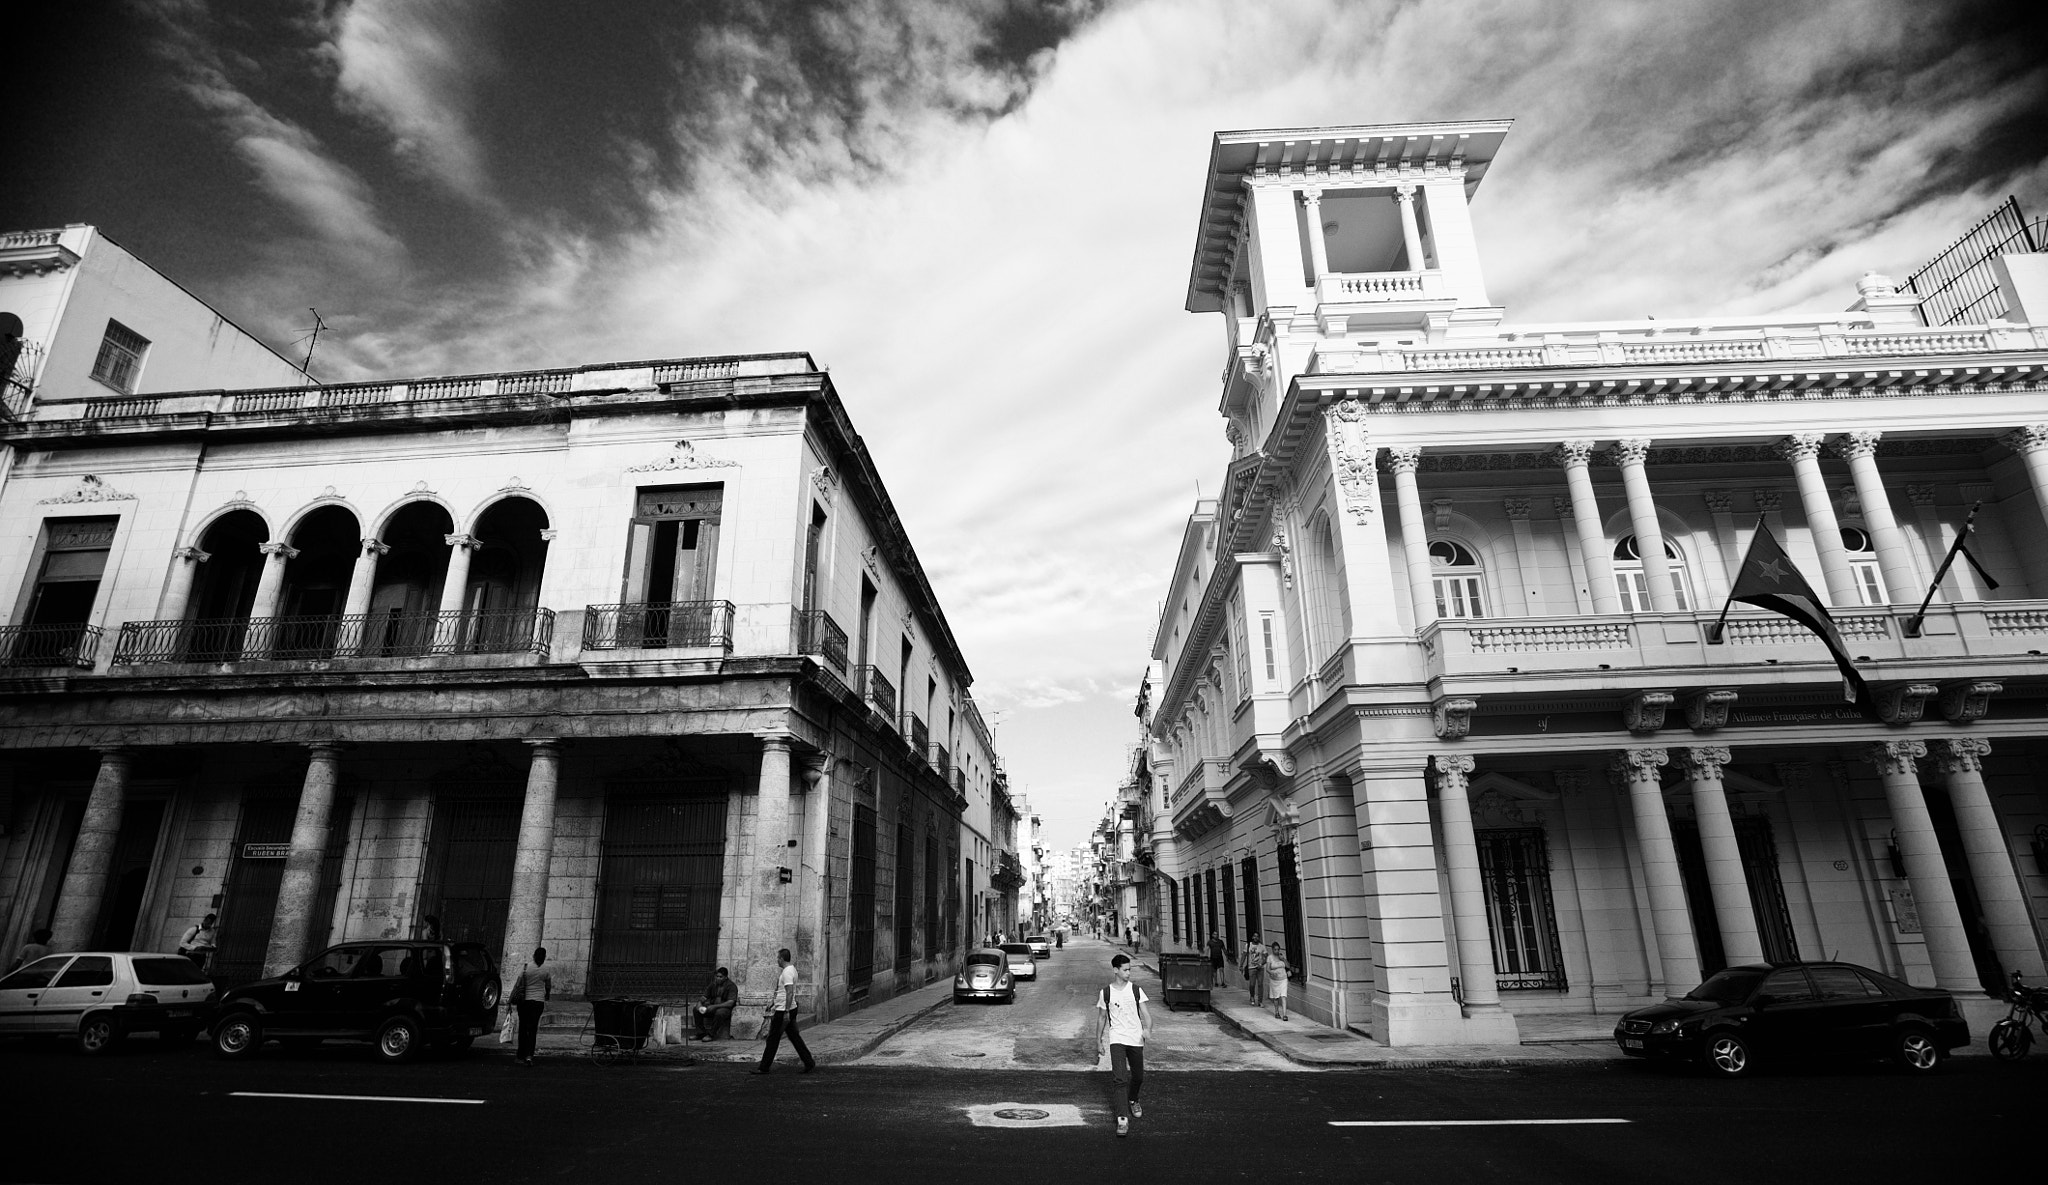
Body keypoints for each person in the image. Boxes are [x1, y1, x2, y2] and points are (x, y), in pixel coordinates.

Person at [1094, 953, 1153, 1138]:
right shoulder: (1106, 993)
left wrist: (1148, 1029)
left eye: (1129, 969)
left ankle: (1133, 1099)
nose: (1128, 973)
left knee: (1138, 1077)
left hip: (1135, 1039)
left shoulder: (1136, 990)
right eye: (1125, 970)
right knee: (1120, 1079)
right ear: (1116, 970)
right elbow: (1102, 1018)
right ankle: (1122, 1119)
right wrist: (1098, 1041)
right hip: (1117, 1039)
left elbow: (1146, 1014)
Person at [753, 947, 815, 1074]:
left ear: (782, 958)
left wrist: (786, 1011)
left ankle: (764, 1067)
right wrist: (773, 1002)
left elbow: (789, 992)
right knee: (794, 1036)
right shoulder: (791, 970)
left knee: (773, 1038)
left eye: (778, 958)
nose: (777, 960)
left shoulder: (787, 972)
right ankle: (809, 1062)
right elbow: (782, 991)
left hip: (783, 1010)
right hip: (787, 1007)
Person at [507, 947, 552, 1067]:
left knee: (523, 1028)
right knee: (532, 1030)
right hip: (538, 1002)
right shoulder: (546, 970)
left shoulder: (526, 968)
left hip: (525, 1002)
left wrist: (510, 1000)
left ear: (534, 955)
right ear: (544, 956)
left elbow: (517, 985)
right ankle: (529, 1056)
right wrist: (547, 995)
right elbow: (548, 986)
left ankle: (520, 1055)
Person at [694, 966, 738, 1041]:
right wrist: (699, 1003)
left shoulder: (731, 986)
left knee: (719, 1012)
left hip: (725, 1009)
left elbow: (730, 1003)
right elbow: (704, 997)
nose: (718, 978)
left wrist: (715, 1006)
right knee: (696, 1010)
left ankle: (711, 1034)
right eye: (717, 976)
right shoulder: (713, 985)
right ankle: (700, 1033)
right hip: (712, 1007)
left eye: (721, 977)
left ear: (725, 977)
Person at [1263, 940, 1291, 1021]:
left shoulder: (1281, 956)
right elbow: (1267, 969)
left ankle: (1285, 1015)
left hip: (1283, 979)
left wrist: (1283, 959)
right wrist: (1272, 973)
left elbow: (1288, 966)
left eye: (1278, 949)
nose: (1277, 951)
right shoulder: (1270, 958)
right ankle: (1276, 1012)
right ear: (1272, 949)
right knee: (1276, 997)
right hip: (1274, 980)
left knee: (1283, 996)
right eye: (1275, 949)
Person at [1243, 936, 1266, 1006]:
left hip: (1260, 968)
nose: (1256, 938)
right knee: (1252, 984)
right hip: (1251, 967)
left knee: (1260, 984)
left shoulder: (1262, 947)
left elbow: (1266, 957)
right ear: (1252, 937)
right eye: (1254, 936)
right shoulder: (1248, 946)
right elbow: (1244, 955)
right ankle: (1252, 996)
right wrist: (1241, 965)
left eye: (1257, 936)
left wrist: (1261, 963)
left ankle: (1260, 1001)